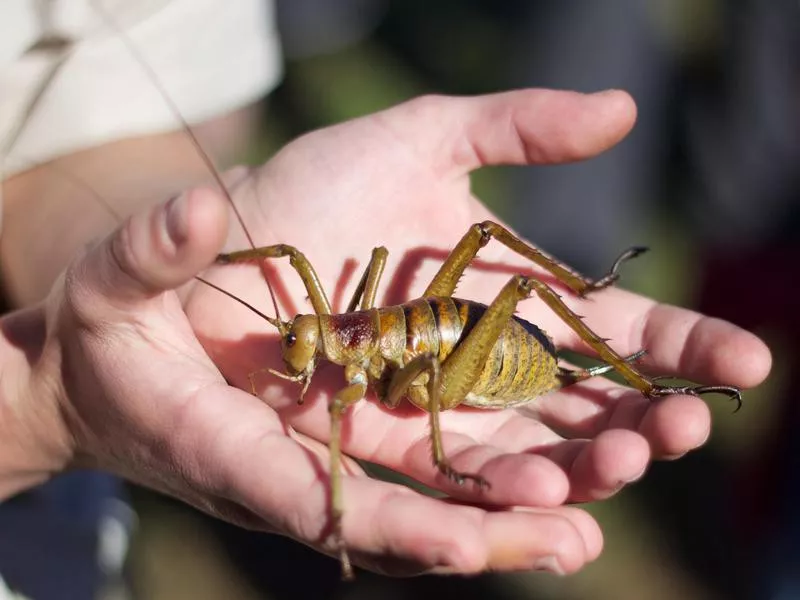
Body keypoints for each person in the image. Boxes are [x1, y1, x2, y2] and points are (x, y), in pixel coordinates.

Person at [0, 0, 772, 594]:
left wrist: (194, 226)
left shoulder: (349, 373)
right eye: (301, 337)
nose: (297, 347)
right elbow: (296, 264)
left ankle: (598, 316)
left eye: (305, 337)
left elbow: (387, 365)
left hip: (468, 357)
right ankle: (611, 353)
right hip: (428, 341)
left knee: (490, 288)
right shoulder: (329, 330)